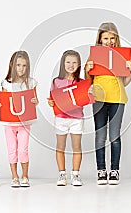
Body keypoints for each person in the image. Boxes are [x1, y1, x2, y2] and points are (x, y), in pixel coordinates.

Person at [85, 22, 131, 185]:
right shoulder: (94, 56)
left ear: (116, 38)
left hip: (118, 98)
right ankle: (101, 170)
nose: (109, 41)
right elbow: (88, 82)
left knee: (114, 136)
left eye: (112, 38)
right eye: (105, 38)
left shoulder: (121, 55)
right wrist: (87, 69)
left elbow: (125, 82)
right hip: (99, 98)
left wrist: (130, 70)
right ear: (100, 39)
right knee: (100, 136)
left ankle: (114, 170)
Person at [0, 51, 38, 187]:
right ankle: (14, 176)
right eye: (18, 65)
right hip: (9, 123)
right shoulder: (6, 83)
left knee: (23, 150)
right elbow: (3, 101)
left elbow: (35, 100)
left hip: (24, 122)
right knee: (12, 150)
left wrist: (34, 101)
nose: (21, 68)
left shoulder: (31, 83)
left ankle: (25, 175)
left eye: (24, 66)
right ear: (12, 65)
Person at [48, 50, 84, 186]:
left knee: (77, 147)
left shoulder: (82, 82)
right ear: (63, 64)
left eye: (74, 62)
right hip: (61, 118)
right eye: (68, 62)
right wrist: (51, 102)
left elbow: (86, 98)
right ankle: (62, 174)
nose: (71, 65)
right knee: (60, 146)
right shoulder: (56, 81)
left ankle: (75, 174)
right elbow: (52, 99)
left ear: (79, 64)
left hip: (76, 119)